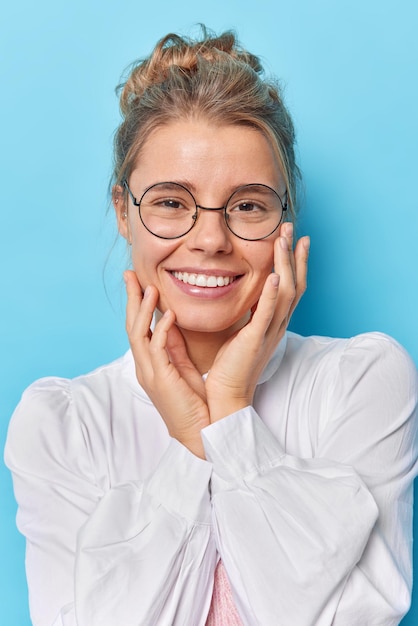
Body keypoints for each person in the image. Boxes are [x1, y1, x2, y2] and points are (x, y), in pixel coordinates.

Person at [5, 26, 418, 626]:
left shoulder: (361, 384)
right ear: (124, 212)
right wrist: (189, 440)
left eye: (248, 204)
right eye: (171, 201)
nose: (209, 240)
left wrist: (227, 410)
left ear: (284, 221)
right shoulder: (63, 427)